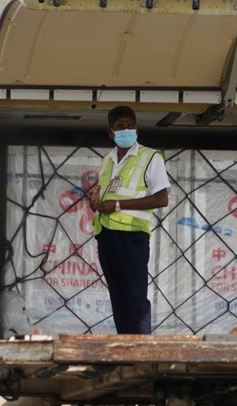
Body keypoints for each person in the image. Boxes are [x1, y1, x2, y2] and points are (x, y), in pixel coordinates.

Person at [88, 106, 170, 334]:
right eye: (120, 127)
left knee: (135, 297)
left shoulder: (150, 156)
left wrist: (116, 205)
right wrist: (96, 202)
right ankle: (124, 348)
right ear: (110, 132)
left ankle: (140, 351)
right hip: (106, 233)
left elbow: (162, 198)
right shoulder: (107, 160)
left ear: (137, 128)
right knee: (118, 296)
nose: (127, 130)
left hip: (132, 235)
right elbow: (108, 193)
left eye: (130, 126)